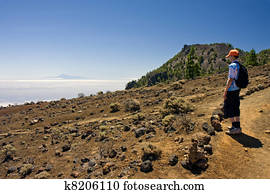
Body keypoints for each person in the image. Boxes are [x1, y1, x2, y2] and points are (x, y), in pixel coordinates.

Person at [223, 49, 242, 135]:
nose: (229, 58)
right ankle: (237, 127)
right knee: (235, 107)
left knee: (228, 107)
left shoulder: (232, 66)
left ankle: (235, 128)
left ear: (232, 56)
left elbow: (230, 79)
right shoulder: (239, 65)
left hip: (231, 89)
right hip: (237, 89)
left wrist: (225, 91)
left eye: (229, 56)